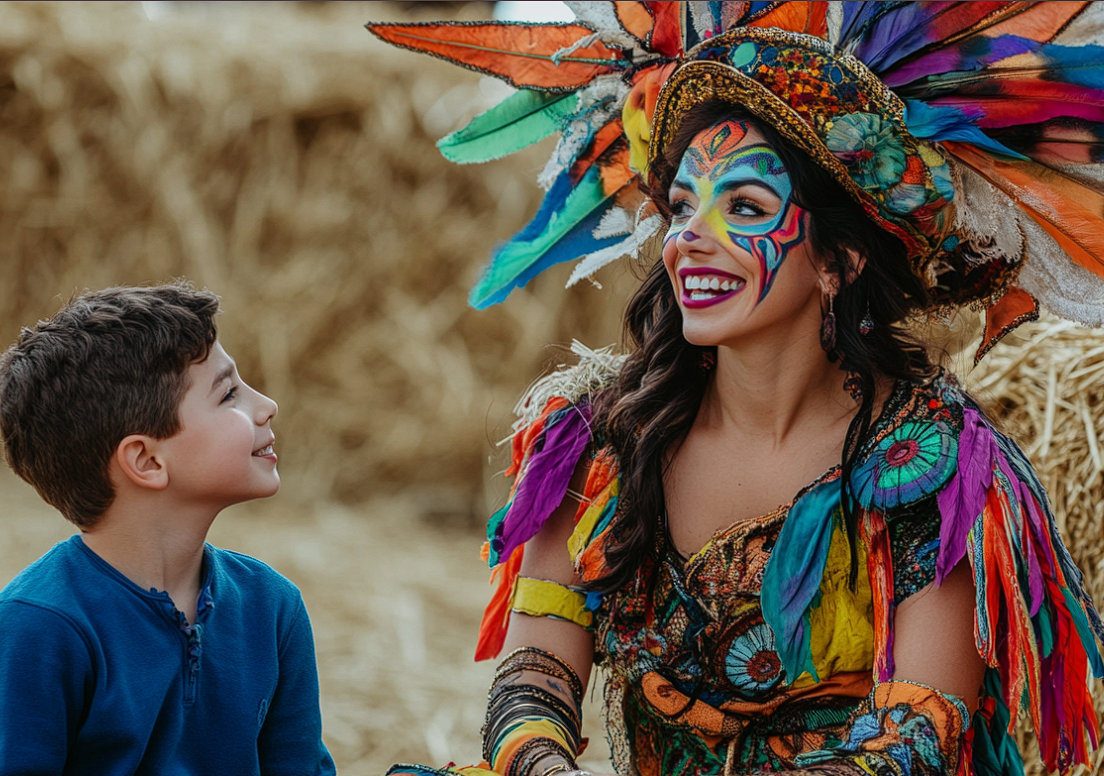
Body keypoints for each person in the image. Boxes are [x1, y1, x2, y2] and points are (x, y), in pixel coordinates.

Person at [371, 3, 1104, 776]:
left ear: (839, 259)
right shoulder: (600, 439)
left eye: (744, 209)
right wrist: (545, 767)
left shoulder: (931, 465)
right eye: (683, 206)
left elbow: (915, 737)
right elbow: (535, 674)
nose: (688, 236)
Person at [0, 282, 335, 776]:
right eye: (229, 395)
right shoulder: (37, 629)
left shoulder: (272, 606)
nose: (266, 406)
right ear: (146, 460)